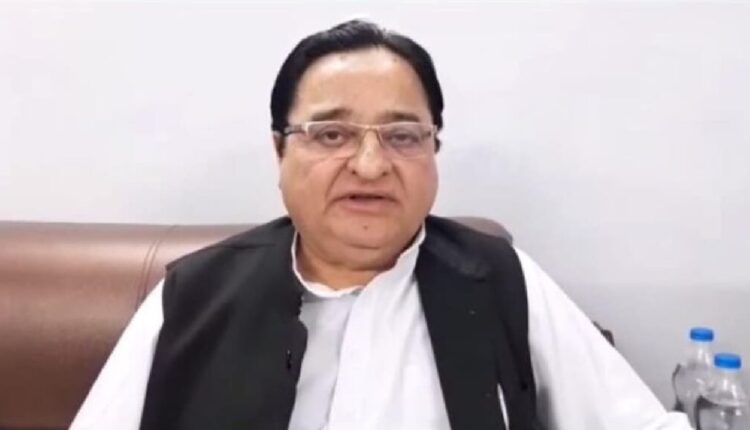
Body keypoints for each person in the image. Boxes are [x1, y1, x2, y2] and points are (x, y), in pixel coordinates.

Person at [70, 19, 691, 430]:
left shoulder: (499, 281)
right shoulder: (190, 298)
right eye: (331, 134)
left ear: (433, 151)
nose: (370, 165)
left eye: (402, 136)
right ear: (280, 151)